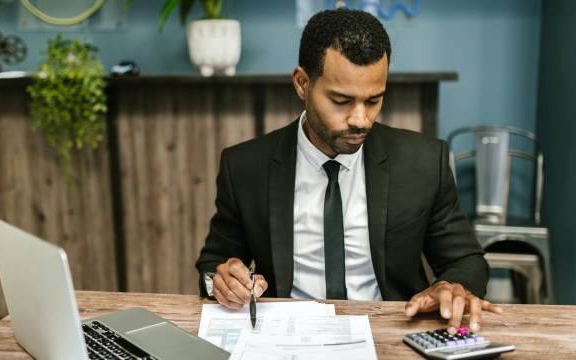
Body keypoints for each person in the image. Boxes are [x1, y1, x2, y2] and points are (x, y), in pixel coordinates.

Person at [196, 8, 501, 335]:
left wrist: (451, 285)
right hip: (285, 336)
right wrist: (222, 281)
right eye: (341, 100)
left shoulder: (425, 161)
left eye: (373, 100)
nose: (360, 119)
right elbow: (214, 265)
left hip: (392, 332)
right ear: (302, 83)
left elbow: (467, 260)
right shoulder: (245, 166)